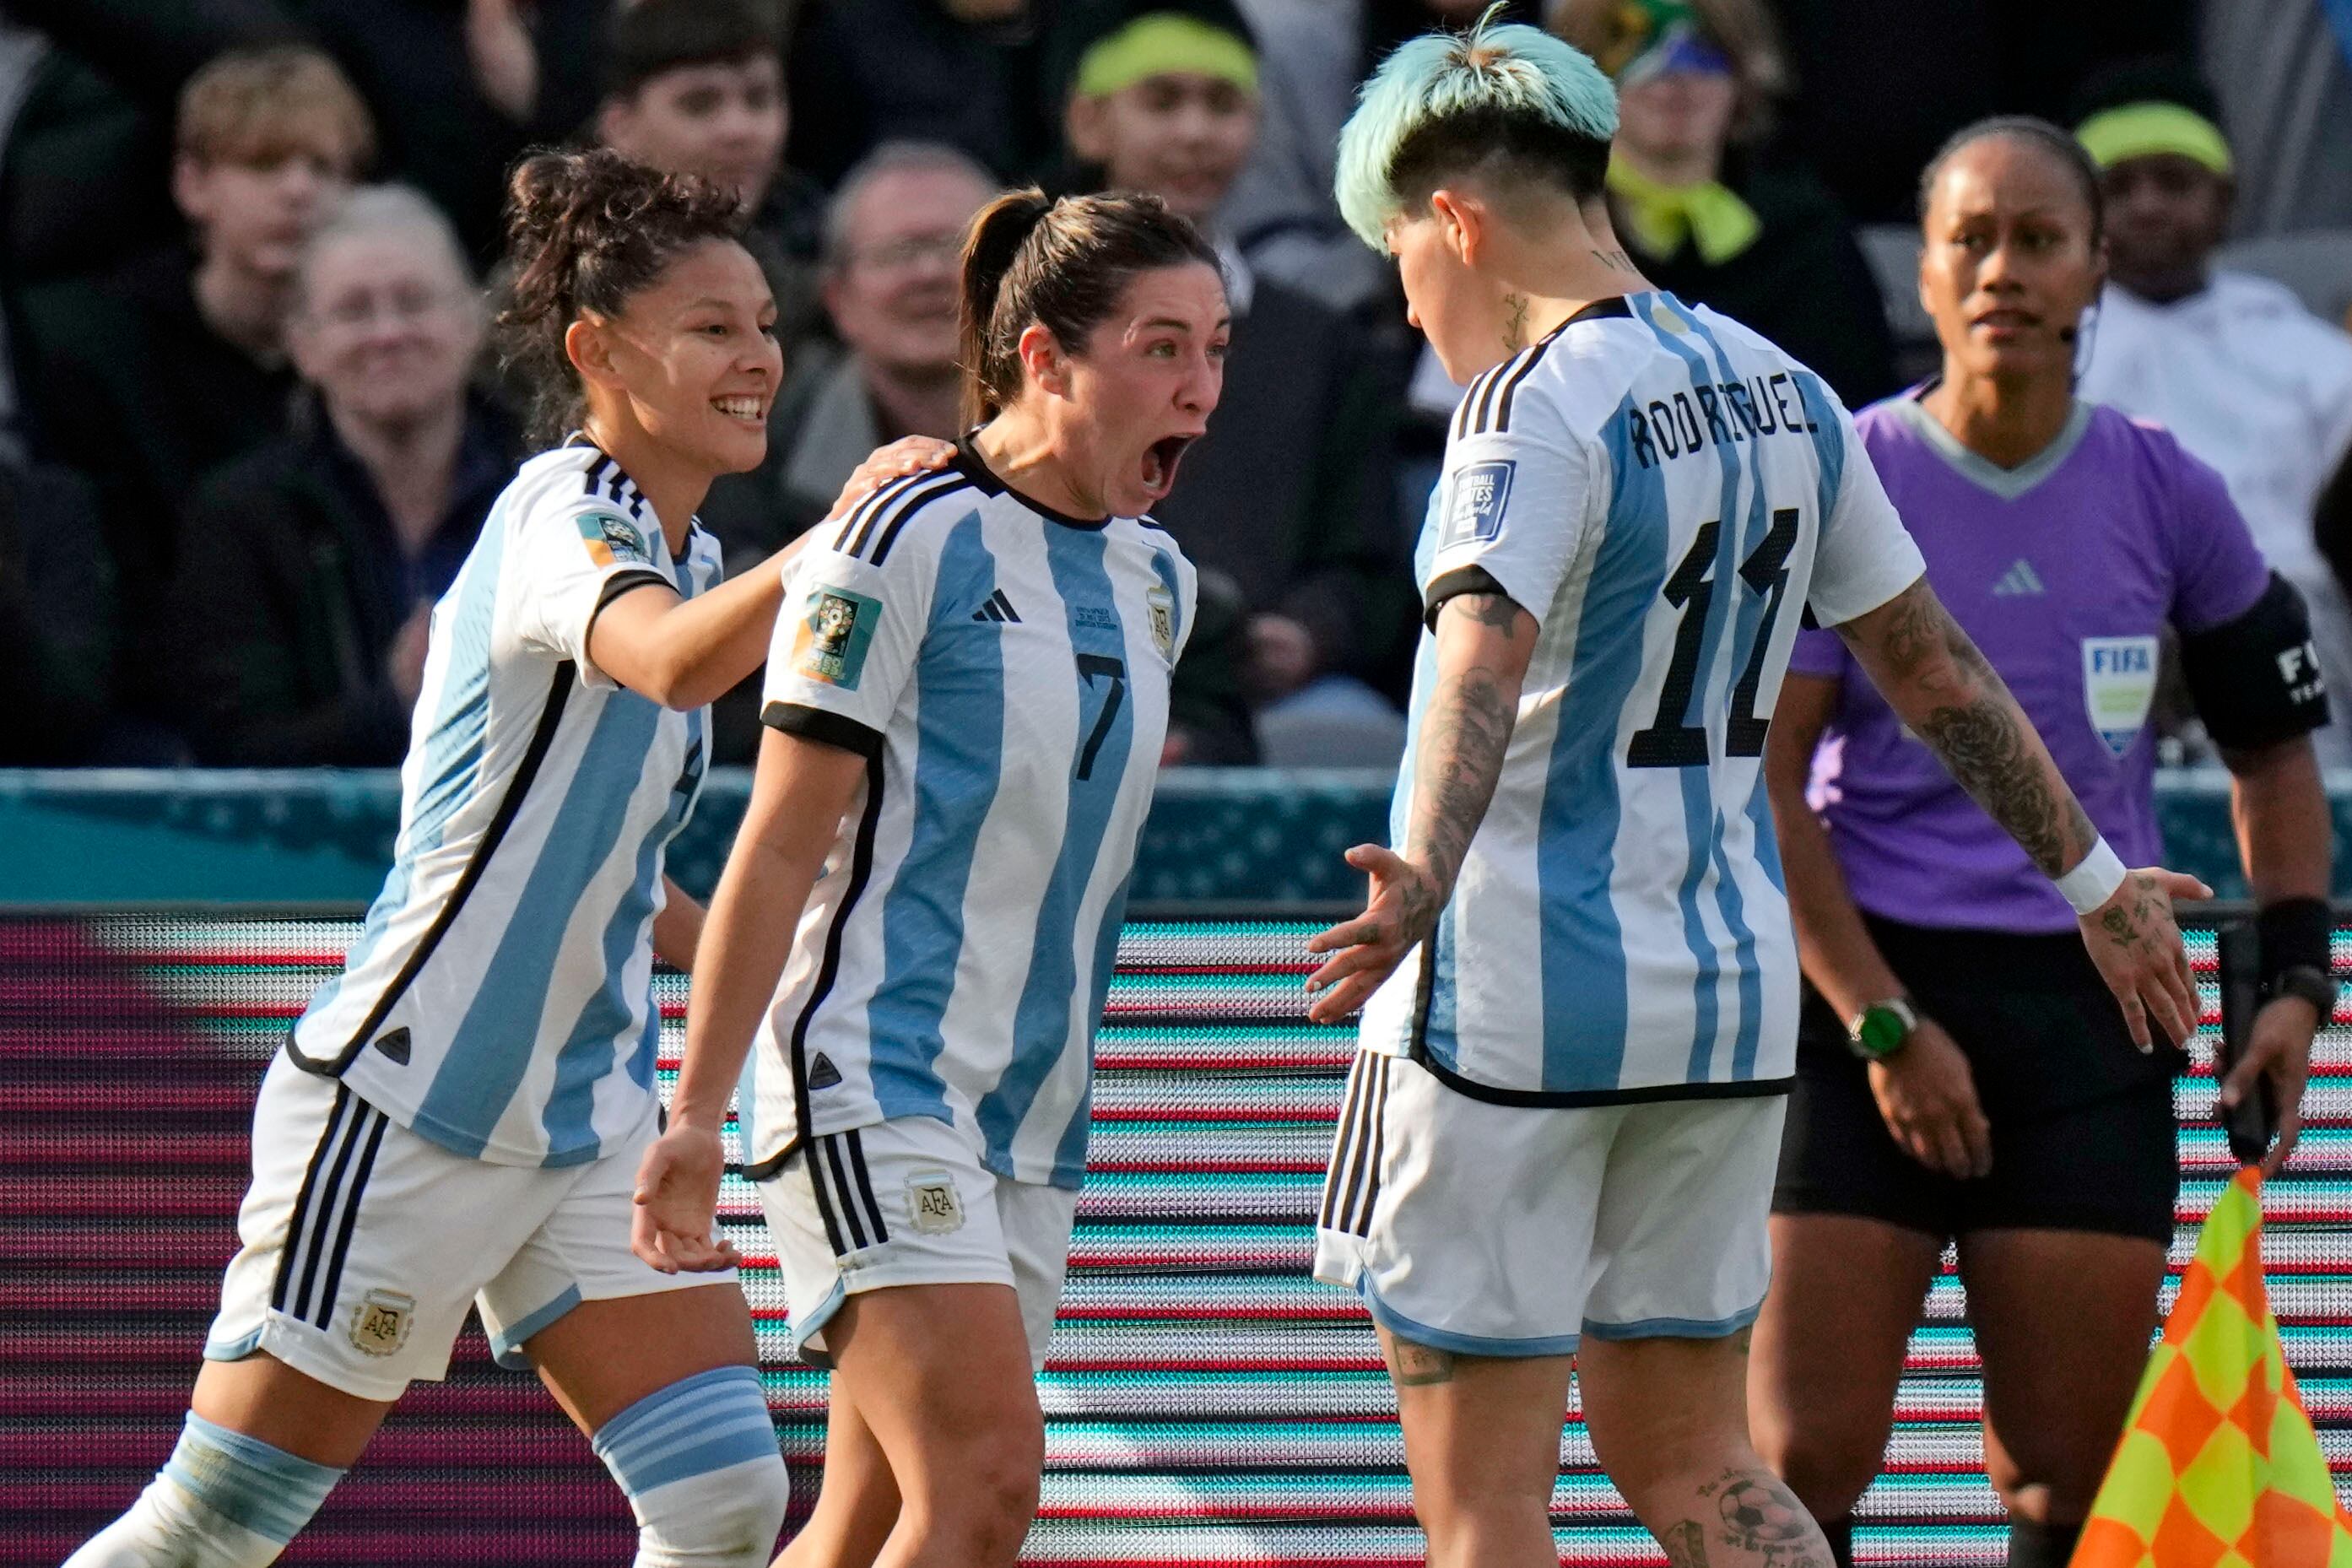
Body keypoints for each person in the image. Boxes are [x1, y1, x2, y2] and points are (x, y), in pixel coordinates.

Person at [1297, 23, 2207, 1568]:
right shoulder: (1783, 388)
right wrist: (2093, 881)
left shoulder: (1526, 407)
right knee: (1707, 1467)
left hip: (1513, 1000)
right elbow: (1934, 670)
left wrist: (1423, 869)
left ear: (1449, 219)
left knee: (1482, 1501)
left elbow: (1475, 653)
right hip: (1715, 1005)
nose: (1408, 302)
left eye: (1399, 257)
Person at [58, 147, 814, 1568]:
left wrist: (767, 961)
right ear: (598, 350)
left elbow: (613, 873)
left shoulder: (701, 552)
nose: (758, 357)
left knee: (722, 1502)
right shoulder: (559, 516)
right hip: (415, 1098)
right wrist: (847, 538)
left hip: (584, 1112)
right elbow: (661, 663)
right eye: (714, 326)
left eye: (768, 323)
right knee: (213, 1524)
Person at [1748, 117, 2334, 1568]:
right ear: (1926, 272)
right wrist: (1880, 1021)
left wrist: (2291, 983)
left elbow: (2274, 749)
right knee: (1801, 1452)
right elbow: (1766, 786)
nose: (2002, 268)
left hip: (2090, 1014)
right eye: (1970, 238)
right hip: (1862, 1000)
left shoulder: (2164, 487)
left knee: (2063, 1468)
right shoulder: (1849, 477)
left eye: (2038, 239)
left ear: (2094, 271)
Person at [629, 187, 1219, 1568]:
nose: (1198, 388)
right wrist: (696, 1111)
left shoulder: (1156, 580)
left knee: (873, 1518)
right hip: (868, 1078)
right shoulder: (900, 535)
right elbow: (776, 842)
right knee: (987, 1482)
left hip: (1030, 1115)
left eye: (1215, 348)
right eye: (1159, 348)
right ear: (1041, 358)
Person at [1062, 0, 1418, 723]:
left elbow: (1370, 564)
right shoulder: (1027, 321)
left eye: (1222, 103)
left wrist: (1310, 633)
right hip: (1053, 665)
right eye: (1161, 101)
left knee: (1344, 729)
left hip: (1254, 697)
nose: (1194, 131)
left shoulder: (1324, 345)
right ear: (1088, 121)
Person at [166, 186, 518, 766]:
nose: (387, 333)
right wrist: (397, 704)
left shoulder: (558, 493)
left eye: (413, 302)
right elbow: (230, 751)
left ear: (472, 321)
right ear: (303, 345)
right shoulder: (241, 517)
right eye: (354, 311)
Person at [16, 45, 371, 615]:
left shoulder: (378, 352)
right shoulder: (98, 351)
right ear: (192, 184)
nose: (297, 191)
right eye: (263, 164)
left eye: (323, 168)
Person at [2068, 66, 2352, 767]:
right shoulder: (2048, 351)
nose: (2147, 208)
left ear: (2224, 200)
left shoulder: (2305, 350)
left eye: (2174, 182)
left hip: (2299, 626)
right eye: (2118, 188)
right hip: (2106, 629)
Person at [1551, 0, 1896, 408]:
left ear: (1745, 71)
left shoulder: (1808, 239)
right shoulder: (1545, 236)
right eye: (1637, 39)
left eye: (1704, 46)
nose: (1677, 74)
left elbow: (1855, 414)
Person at [596, 0, 828, 357]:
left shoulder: (826, 262)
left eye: (759, 99)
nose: (739, 130)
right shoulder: (561, 287)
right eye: (699, 104)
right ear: (620, 126)